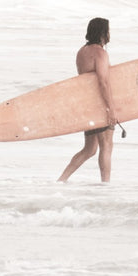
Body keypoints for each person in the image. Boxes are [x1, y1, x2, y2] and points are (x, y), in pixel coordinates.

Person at [58, 17, 117, 183]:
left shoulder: (82, 52)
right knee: (106, 146)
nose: (109, 34)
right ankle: (106, 184)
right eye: (108, 30)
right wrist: (110, 108)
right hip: (99, 104)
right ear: (103, 33)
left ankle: (61, 180)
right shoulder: (100, 53)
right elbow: (103, 82)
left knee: (90, 149)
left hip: (86, 103)